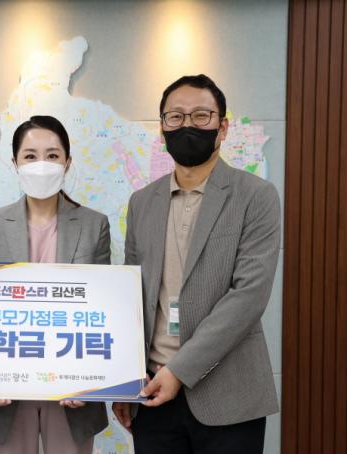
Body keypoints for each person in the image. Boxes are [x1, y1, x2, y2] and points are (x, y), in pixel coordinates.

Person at [113, 74, 280, 454]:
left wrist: (179, 370)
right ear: (162, 129)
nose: (187, 125)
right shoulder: (142, 202)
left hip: (229, 395)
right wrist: (123, 381)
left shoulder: (256, 196)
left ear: (223, 128)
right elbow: (132, 297)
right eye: (175, 116)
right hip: (151, 391)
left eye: (201, 115)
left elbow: (249, 295)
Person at [0, 115, 110, 454]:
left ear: (67, 162)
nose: (41, 164)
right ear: (15, 163)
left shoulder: (94, 225)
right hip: (6, 390)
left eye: (52, 155)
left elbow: (103, 310)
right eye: (30, 156)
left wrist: (89, 381)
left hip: (72, 390)